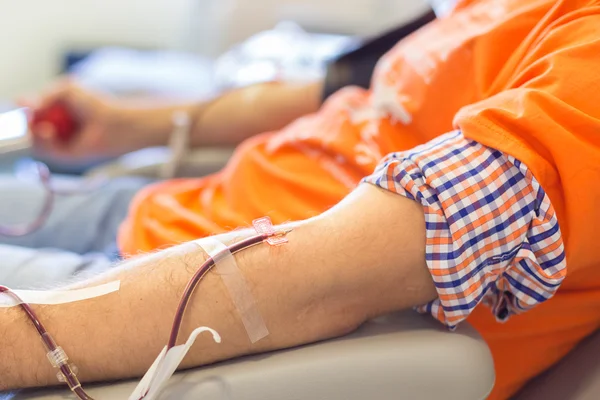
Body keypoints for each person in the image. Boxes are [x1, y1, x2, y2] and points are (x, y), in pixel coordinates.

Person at [1, 0, 599, 399]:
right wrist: (123, 125)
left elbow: (323, 281)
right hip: (168, 209)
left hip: (172, 307)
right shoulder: (501, 9)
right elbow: (332, 93)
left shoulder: (588, 68)